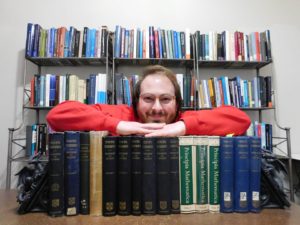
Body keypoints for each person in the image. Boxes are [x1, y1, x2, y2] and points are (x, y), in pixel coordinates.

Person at [46, 65, 251, 137]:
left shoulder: (185, 119)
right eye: (148, 98)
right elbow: (56, 116)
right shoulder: (120, 115)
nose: (157, 108)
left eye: (166, 99)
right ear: (136, 101)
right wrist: (115, 125)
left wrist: (182, 128)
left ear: (178, 103)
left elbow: (241, 120)